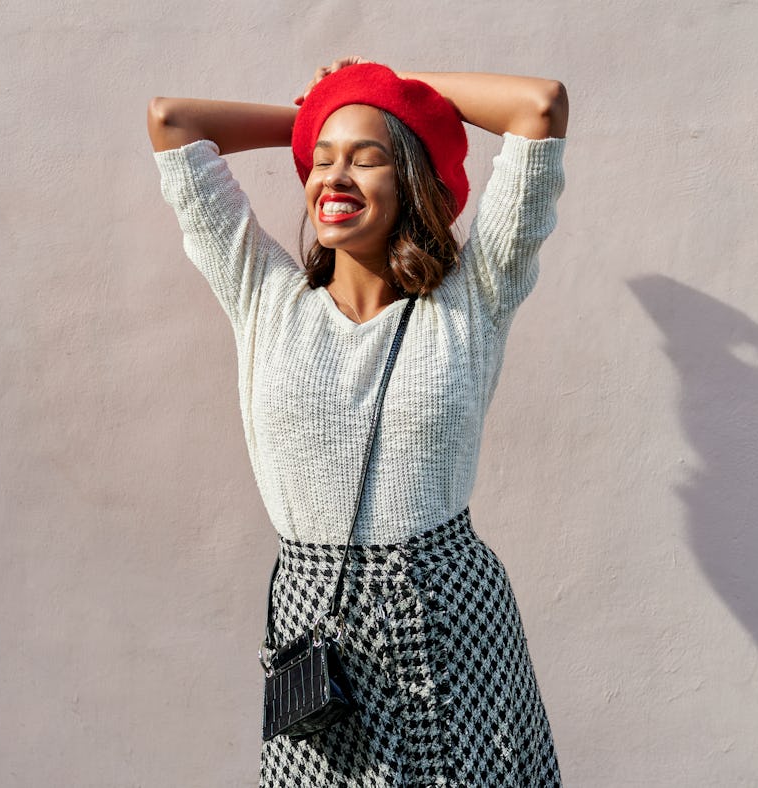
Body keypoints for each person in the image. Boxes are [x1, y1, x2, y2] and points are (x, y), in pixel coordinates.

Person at [148, 56, 568, 787]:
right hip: (319, 619)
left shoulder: (474, 299)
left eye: (367, 159)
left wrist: (388, 87)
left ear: (412, 180)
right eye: (320, 159)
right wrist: (328, 106)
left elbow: (540, 107)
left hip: (452, 606)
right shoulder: (264, 294)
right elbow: (174, 123)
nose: (333, 177)